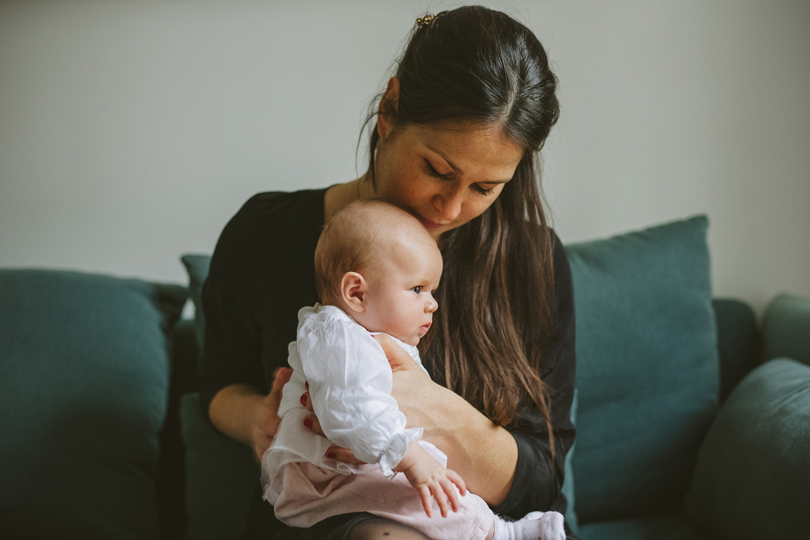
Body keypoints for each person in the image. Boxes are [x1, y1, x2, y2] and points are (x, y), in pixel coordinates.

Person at [199, 6, 578, 539]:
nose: (449, 208)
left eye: (484, 188)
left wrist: (427, 409)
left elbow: (541, 477)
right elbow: (215, 383)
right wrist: (258, 419)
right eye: (437, 170)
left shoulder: (533, 262)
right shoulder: (265, 233)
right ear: (390, 111)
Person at [261, 199, 566, 540]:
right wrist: (410, 455)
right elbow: (348, 405)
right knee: (424, 495)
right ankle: (500, 534)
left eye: (431, 290)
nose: (432, 303)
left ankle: (497, 530)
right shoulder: (337, 335)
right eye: (418, 289)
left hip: (354, 465)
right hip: (328, 478)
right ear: (356, 293)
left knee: (430, 488)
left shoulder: (359, 334)